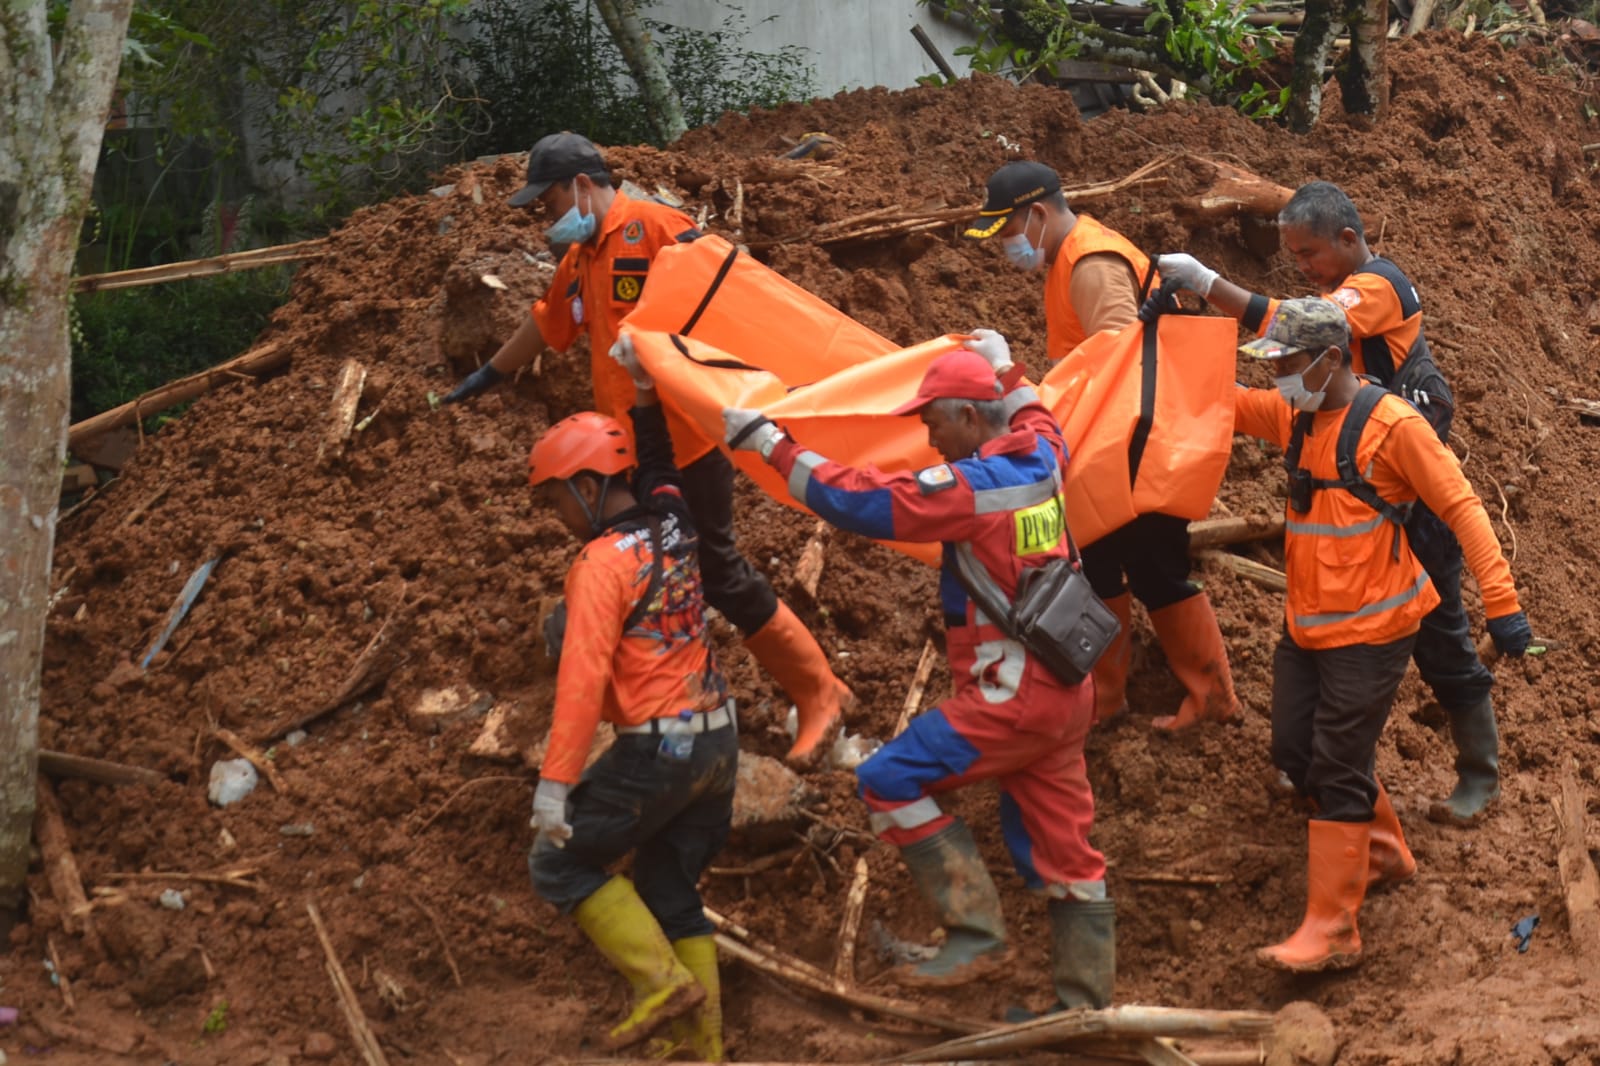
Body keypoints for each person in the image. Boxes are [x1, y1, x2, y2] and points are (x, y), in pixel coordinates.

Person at [721, 335, 1115, 1011]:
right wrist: (1007, 365)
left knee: (889, 779)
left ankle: (976, 937)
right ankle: (1084, 1008)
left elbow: (861, 502)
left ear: (966, 415)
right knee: (1068, 854)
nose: (930, 442)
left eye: (933, 424)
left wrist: (768, 443)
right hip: (1067, 692)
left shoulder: (973, 488)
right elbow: (1039, 416)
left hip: (1010, 699)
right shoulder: (1043, 459)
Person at [445, 130, 850, 765]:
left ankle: (820, 691)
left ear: (581, 185)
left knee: (715, 570)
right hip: (631, 456)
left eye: (548, 205)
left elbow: (735, 296)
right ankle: (663, 711)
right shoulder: (582, 258)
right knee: (650, 578)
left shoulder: (660, 229)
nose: (547, 220)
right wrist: (489, 374)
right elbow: (547, 321)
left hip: (689, 445)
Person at [1158, 180, 1502, 825]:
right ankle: (1332, 773)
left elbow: (1299, 326)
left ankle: (1477, 772)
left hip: (1407, 495)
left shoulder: (1378, 287)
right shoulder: (1331, 310)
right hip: (1364, 495)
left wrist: (1208, 284)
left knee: (1440, 636)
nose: (1303, 267)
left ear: (1349, 238)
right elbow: (1293, 340)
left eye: (1309, 253)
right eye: (1295, 256)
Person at [1227, 298, 1532, 971]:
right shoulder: (1295, 414)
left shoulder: (1393, 427)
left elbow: (1463, 508)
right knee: (1294, 750)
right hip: (1308, 623)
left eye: (1285, 362)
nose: (1274, 374)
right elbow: (1224, 404)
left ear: (1330, 359)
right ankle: (1384, 850)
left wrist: (1502, 607)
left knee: (1336, 764)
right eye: (1271, 362)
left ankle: (1334, 931)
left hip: (1375, 627)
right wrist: (1159, 345)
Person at [966, 159, 1239, 732]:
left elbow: (1118, 370)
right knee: (1100, 564)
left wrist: (1015, 382)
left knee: (1153, 568)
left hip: (1133, 449)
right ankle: (1106, 696)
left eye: (1009, 234)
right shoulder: (1070, 258)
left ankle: (1208, 697)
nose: (1007, 249)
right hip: (1115, 444)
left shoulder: (1091, 264)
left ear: (1037, 214)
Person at [525, 355, 736, 1058]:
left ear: (587, 486)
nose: (557, 518)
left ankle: (661, 987)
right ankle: (700, 1050)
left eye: (557, 499)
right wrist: (646, 394)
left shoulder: (600, 565)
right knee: (668, 886)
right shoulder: (675, 524)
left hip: (661, 751)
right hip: (718, 744)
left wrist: (556, 789)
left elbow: (582, 680)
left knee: (558, 866)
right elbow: (659, 465)